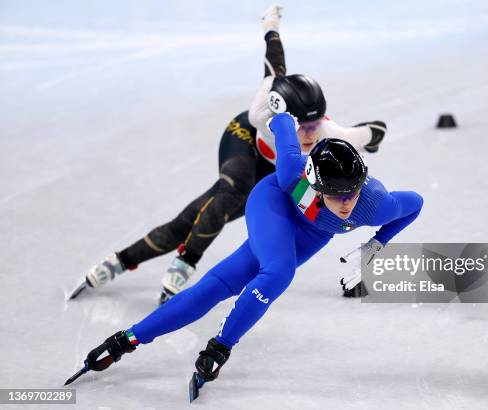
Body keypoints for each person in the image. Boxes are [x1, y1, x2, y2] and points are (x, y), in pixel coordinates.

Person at [74, 112, 423, 388]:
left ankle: (125, 340)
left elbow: (416, 204)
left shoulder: (375, 205)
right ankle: (220, 347)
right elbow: (283, 124)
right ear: (315, 186)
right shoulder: (291, 174)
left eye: (352, 193)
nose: (347, 203)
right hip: (273, 204)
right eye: (335, 195)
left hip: (313, 233)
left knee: (219, 284)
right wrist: (281, 116)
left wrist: (376, 244)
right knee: (278, 272)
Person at [69, 5, 388, 304]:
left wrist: (372, 137)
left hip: (273, 169)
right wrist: (271, 28)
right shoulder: (261, 114)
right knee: (230, 191)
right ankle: (186, 261)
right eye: (300, 125)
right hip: (246, 143)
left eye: (315, 124)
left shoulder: (331, 135)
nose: (308, 133)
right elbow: (275, 66)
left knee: (195, 217)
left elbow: (372, 131)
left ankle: (119, 262)